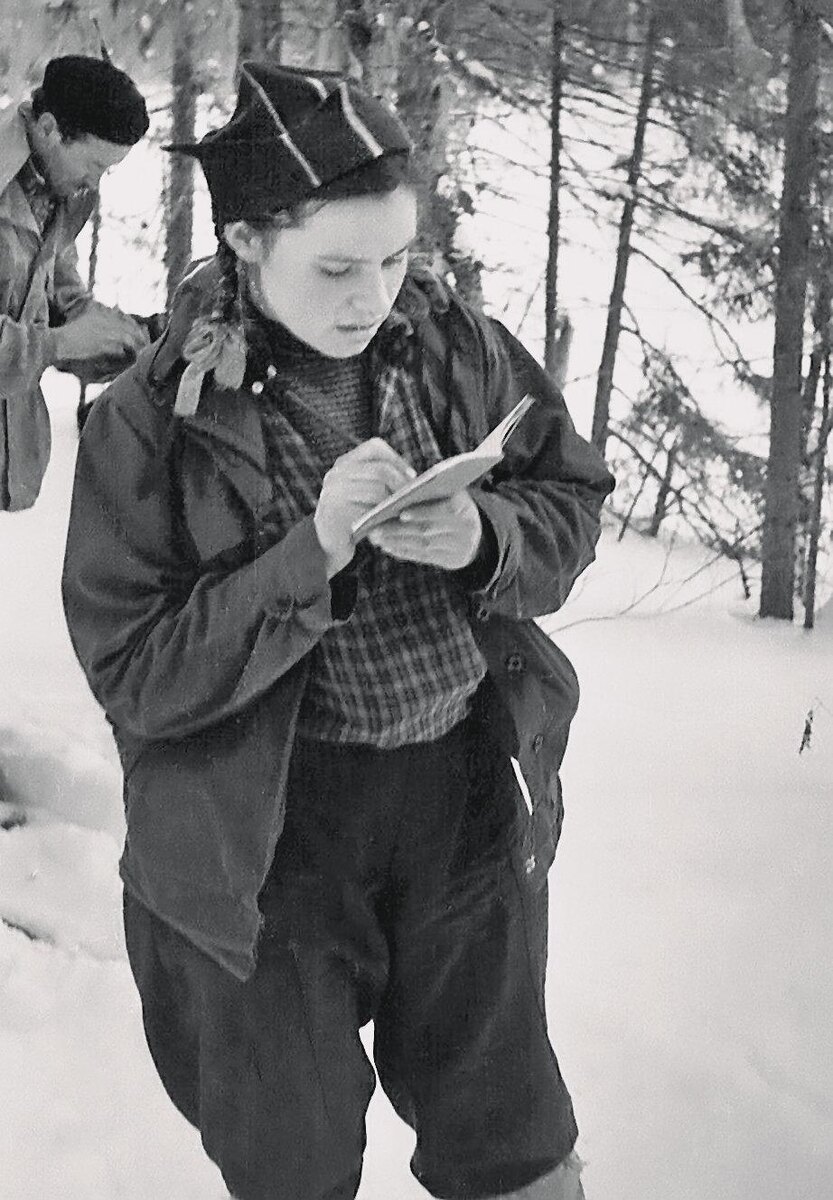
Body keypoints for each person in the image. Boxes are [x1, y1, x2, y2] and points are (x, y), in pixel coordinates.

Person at [61, 62, 614, 1200]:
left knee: (511, 1139)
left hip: (456, 800)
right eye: (337, 266)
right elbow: (137, 675)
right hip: (261, 844)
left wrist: (484, 535)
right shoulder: (149, 423)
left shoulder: (458, 347)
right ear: (249, 242)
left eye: (398, 257)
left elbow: (570, 502)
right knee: (292, 1161)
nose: (375, 295)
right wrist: (305, 555)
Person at [0, 54, 150, 512]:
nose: (96, 181)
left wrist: (120, 339)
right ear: (48, 129)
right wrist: (57, 344)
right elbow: (56, 338)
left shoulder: (59, 191)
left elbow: (59, 298)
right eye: (95, 164)